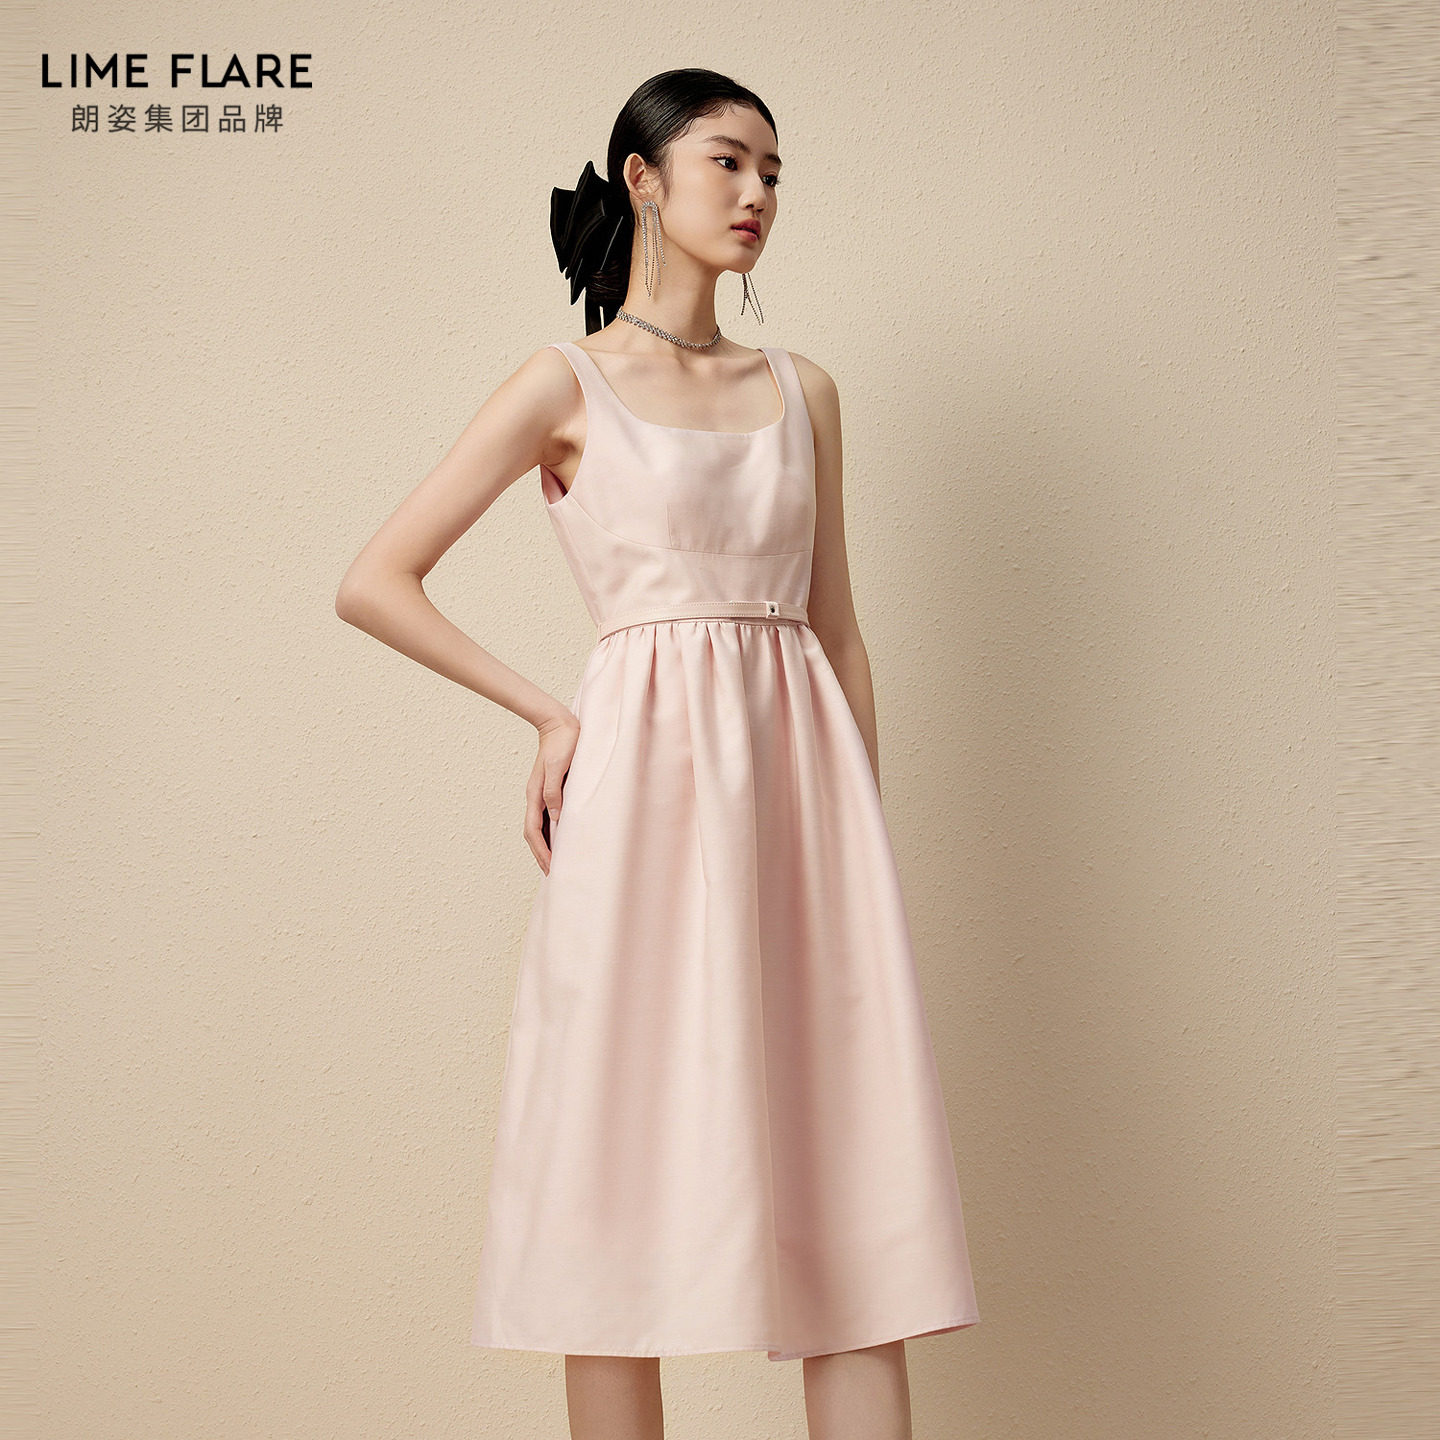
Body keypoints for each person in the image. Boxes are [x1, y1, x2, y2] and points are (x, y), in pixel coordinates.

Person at [336, 67, 979, 1440]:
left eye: (774, 173)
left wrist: (859, 835)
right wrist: (549, 714)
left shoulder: (804, 391)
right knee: (612, 1175)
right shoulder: (562, 383)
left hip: (805, 815)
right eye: (728, 161)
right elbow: (375, 580)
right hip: (640, 803)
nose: (757, 194)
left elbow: (838, 632)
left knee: (847, 1183)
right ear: (643, 178)